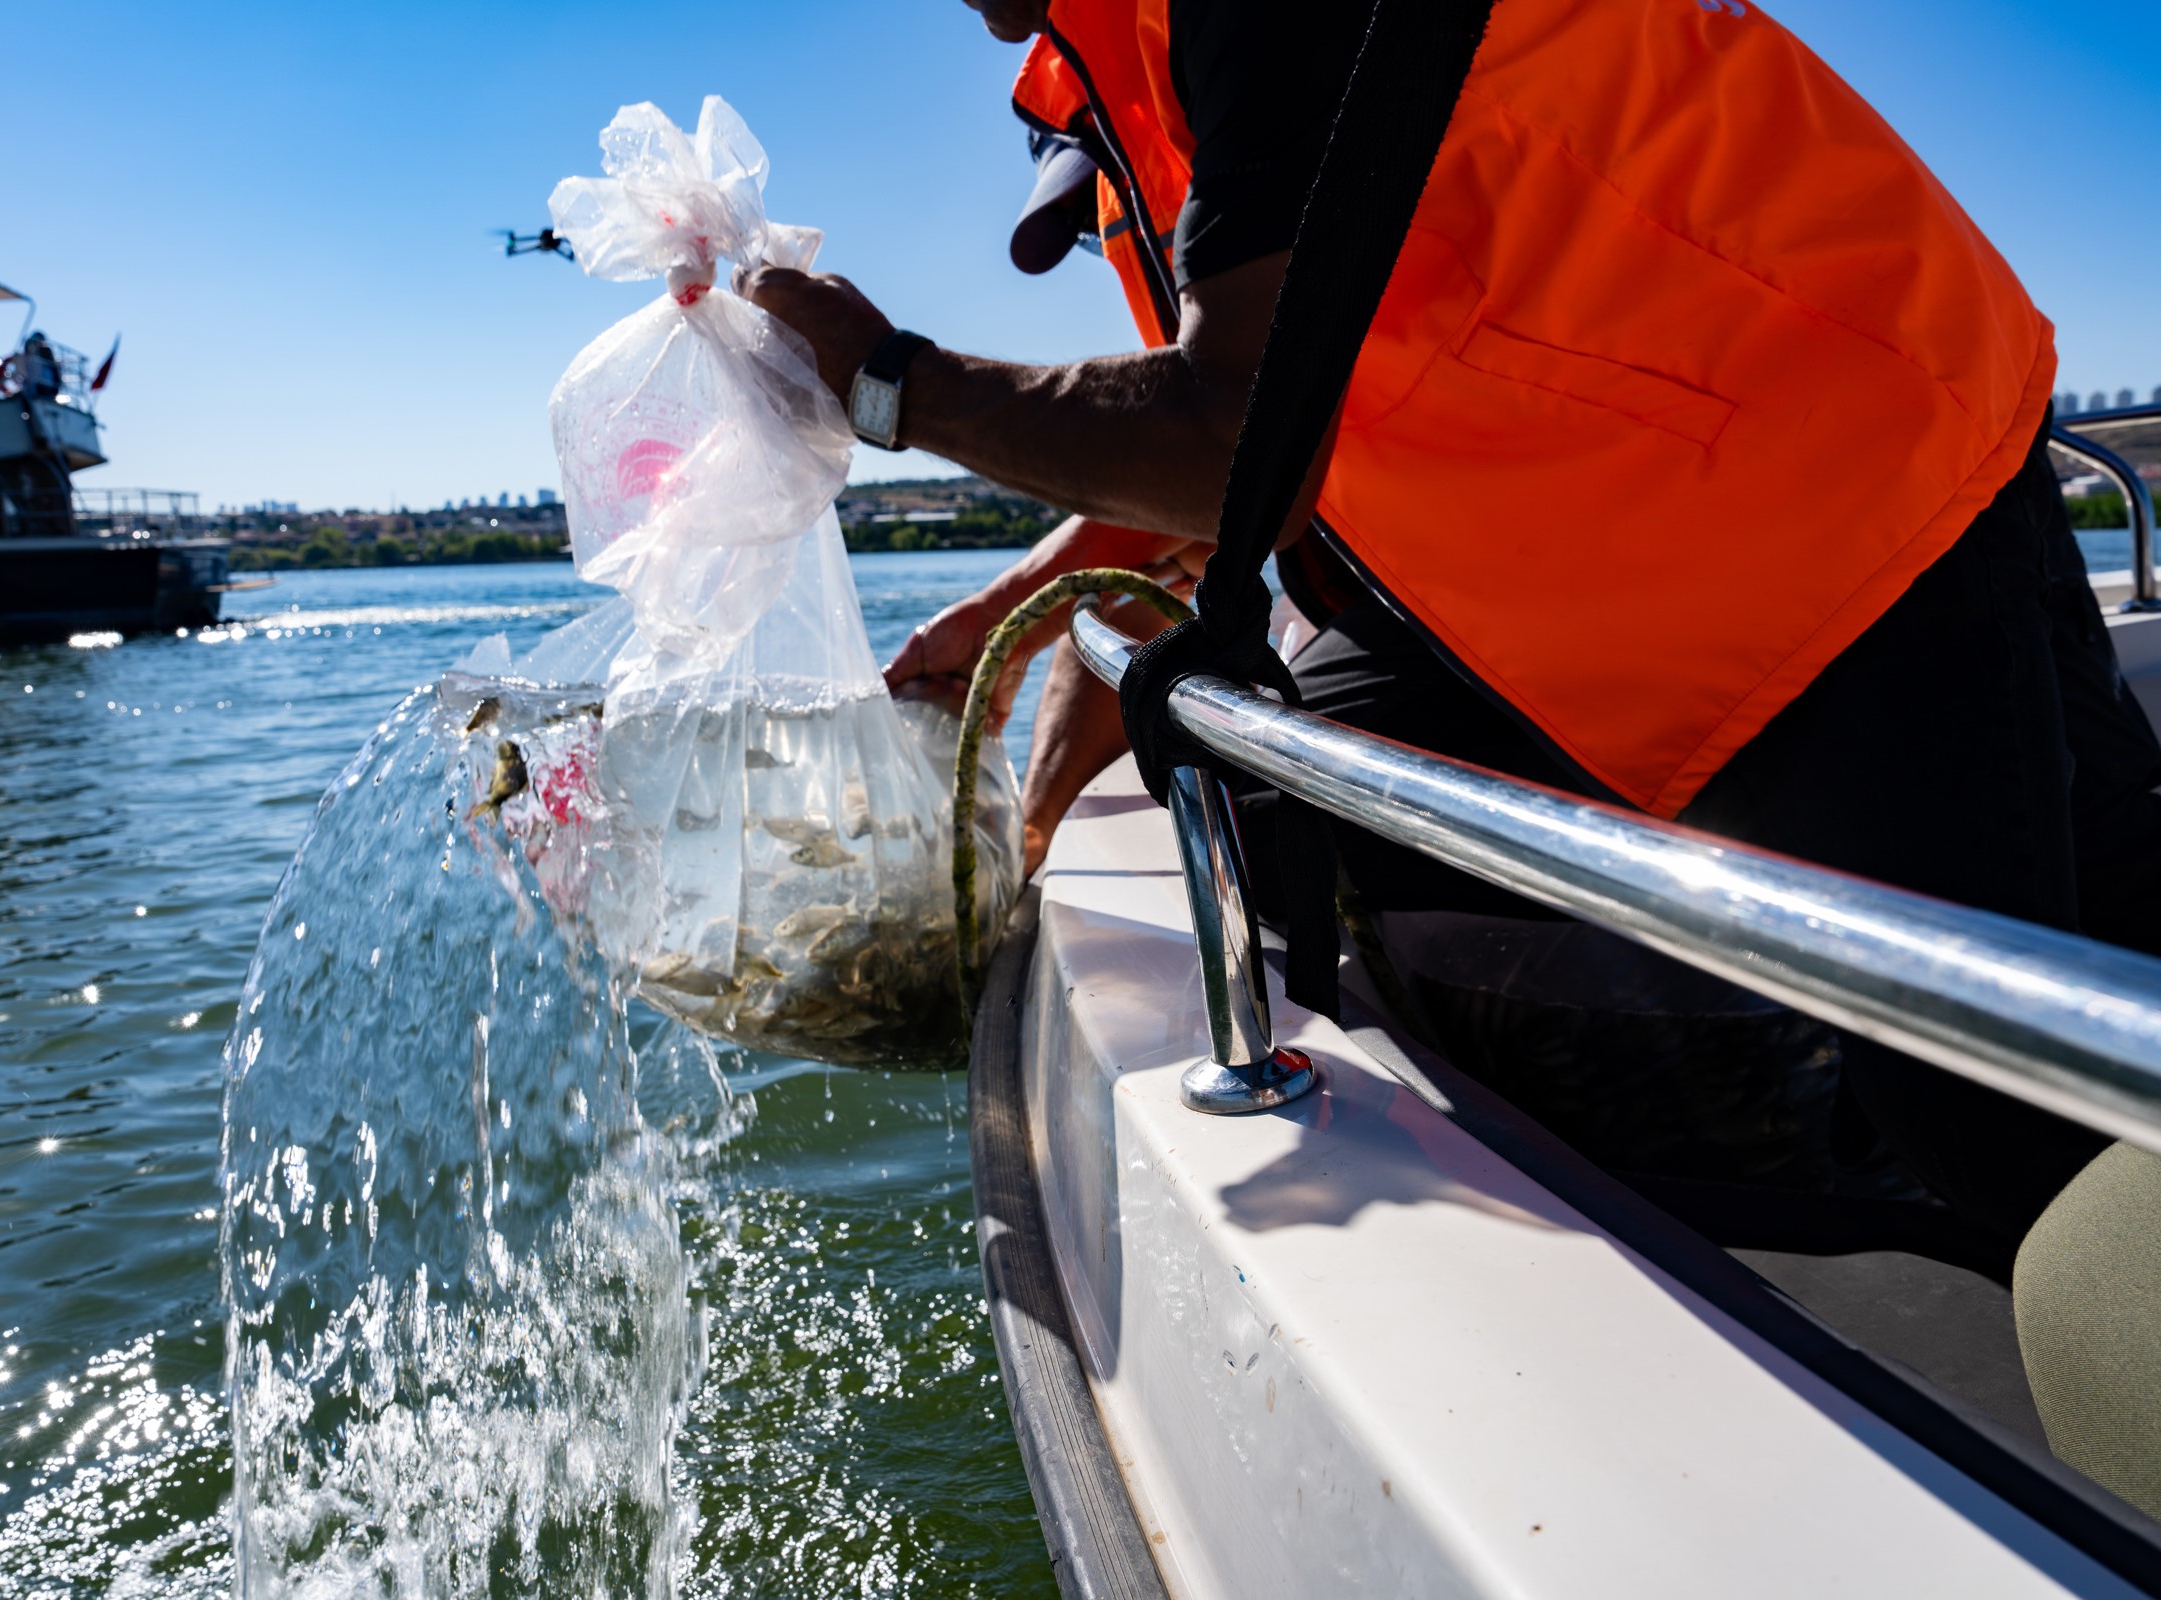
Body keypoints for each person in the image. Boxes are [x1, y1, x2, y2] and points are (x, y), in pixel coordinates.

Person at [739, 0, 2161, 1248]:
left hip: (1849, 495)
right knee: (1290, 809)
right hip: (1648, 518)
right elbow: (1272, 419)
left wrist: (888, 385)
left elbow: (1242, 440)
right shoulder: (1131, 50)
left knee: (2004, 1105)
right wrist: (1002, 620)